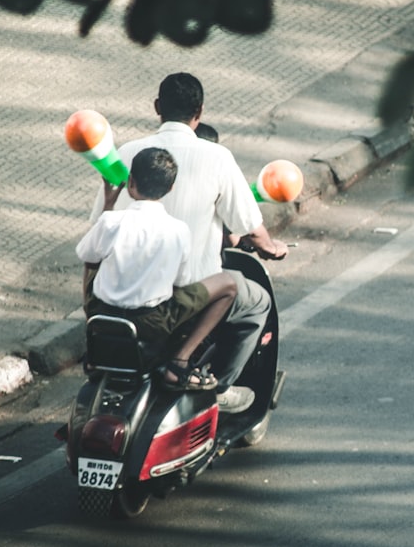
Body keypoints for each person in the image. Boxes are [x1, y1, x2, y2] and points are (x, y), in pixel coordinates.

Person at [89, 72, 288, 414]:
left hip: (116, 297)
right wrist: (271, 247)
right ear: (199, 112)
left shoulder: (126, 153)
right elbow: (250, 227)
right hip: (180, 299)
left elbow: (95, 233)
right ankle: (216, 386)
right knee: (255, 302)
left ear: (157, 107)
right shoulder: (216, 158)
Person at [78, 147, 237, 392]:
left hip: (101, 313)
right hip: (151, 322)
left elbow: (87, 257)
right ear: (170, 189)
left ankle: (94, 348)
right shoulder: (179, 230)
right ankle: (179, 361)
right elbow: (181, 280)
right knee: (228, 284)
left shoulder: (111, 221)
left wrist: (108, 206)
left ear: (131, 182)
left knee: (92, 261)